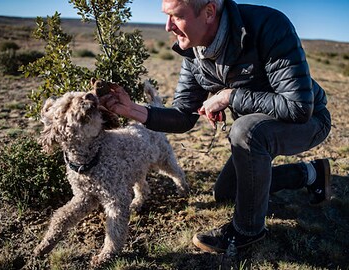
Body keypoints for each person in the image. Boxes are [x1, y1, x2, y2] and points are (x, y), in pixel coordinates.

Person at [101, 0, 331, 253]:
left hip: (309, 121)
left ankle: (247, 231)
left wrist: (230, 96)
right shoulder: (194, 51)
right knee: (226, 192)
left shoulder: (268, 25)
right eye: (166, 17)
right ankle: (311, 173)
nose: (168, 27)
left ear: (209, 12)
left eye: (176, 17)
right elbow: (182, 116)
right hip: (258, 127)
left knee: (244, 130)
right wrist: (131, 109)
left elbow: (298, 107)